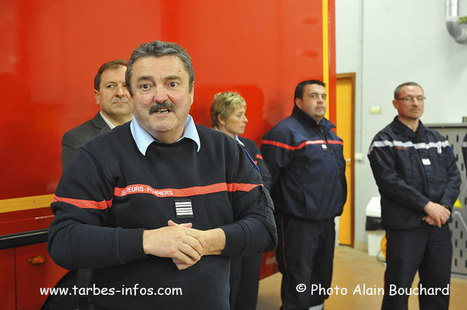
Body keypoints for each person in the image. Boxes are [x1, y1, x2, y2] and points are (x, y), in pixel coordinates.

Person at [47, 40, 276, 310]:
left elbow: (265, 228)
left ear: (191, 92)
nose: (159, 96)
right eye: (146, 86)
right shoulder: (96, 156)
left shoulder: (227, 151)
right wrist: (148, 240)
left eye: (173, 83)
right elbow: (64, 240)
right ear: (132, 95)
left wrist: (204, 242)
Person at [367, 81, 461, 310]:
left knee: (437, 290)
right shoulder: (384, 140)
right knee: (397, 292)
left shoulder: (437, 139)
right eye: (409, 98)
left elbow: (454, 177)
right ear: (396, 103)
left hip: (437, 227)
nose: (416, 103)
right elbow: (390, 182)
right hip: (404, 230)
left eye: (420, 98)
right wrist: (427, 206)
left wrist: (443, 207)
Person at [261, 80, 347, 310]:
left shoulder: (330, 133)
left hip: (327, 220)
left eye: (324, 96)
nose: (321, 100)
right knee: (298, 281)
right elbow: (267, 179)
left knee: (321, 278)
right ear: (299, 102)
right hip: (297, 223)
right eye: (314, 96)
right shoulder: (284, 133)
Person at [210, 91, 272, 310]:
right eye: (239, 115)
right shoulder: (207, 146)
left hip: (252, 224)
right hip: (224, 229)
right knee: (227, 286)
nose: (245, 120)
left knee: (248, 284)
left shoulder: (249, 146)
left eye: (244, 114)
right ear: (221, 118)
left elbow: (265, 179)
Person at [61, 59, 133, 168]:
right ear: (97, 96)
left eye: (126, 86)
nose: (120, 93)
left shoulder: (154, 132)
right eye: (110, 86)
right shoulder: (78, 139)